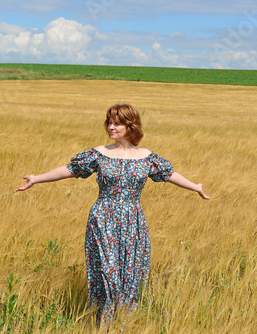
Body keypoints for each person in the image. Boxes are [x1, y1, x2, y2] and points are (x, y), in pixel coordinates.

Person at [15, 103, 210, 327]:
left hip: (133, 220)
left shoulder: (146, 157)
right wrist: (36, 178)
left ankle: (124, 322)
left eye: (117, 123)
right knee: (107, 270)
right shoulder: (99, 154)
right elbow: (69, 170)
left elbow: (169, 174)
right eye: (109, 122)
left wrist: (195, 186)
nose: (111, 127)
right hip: (103, 218)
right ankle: (103, 320)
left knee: (131, 270)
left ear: (131, 126)